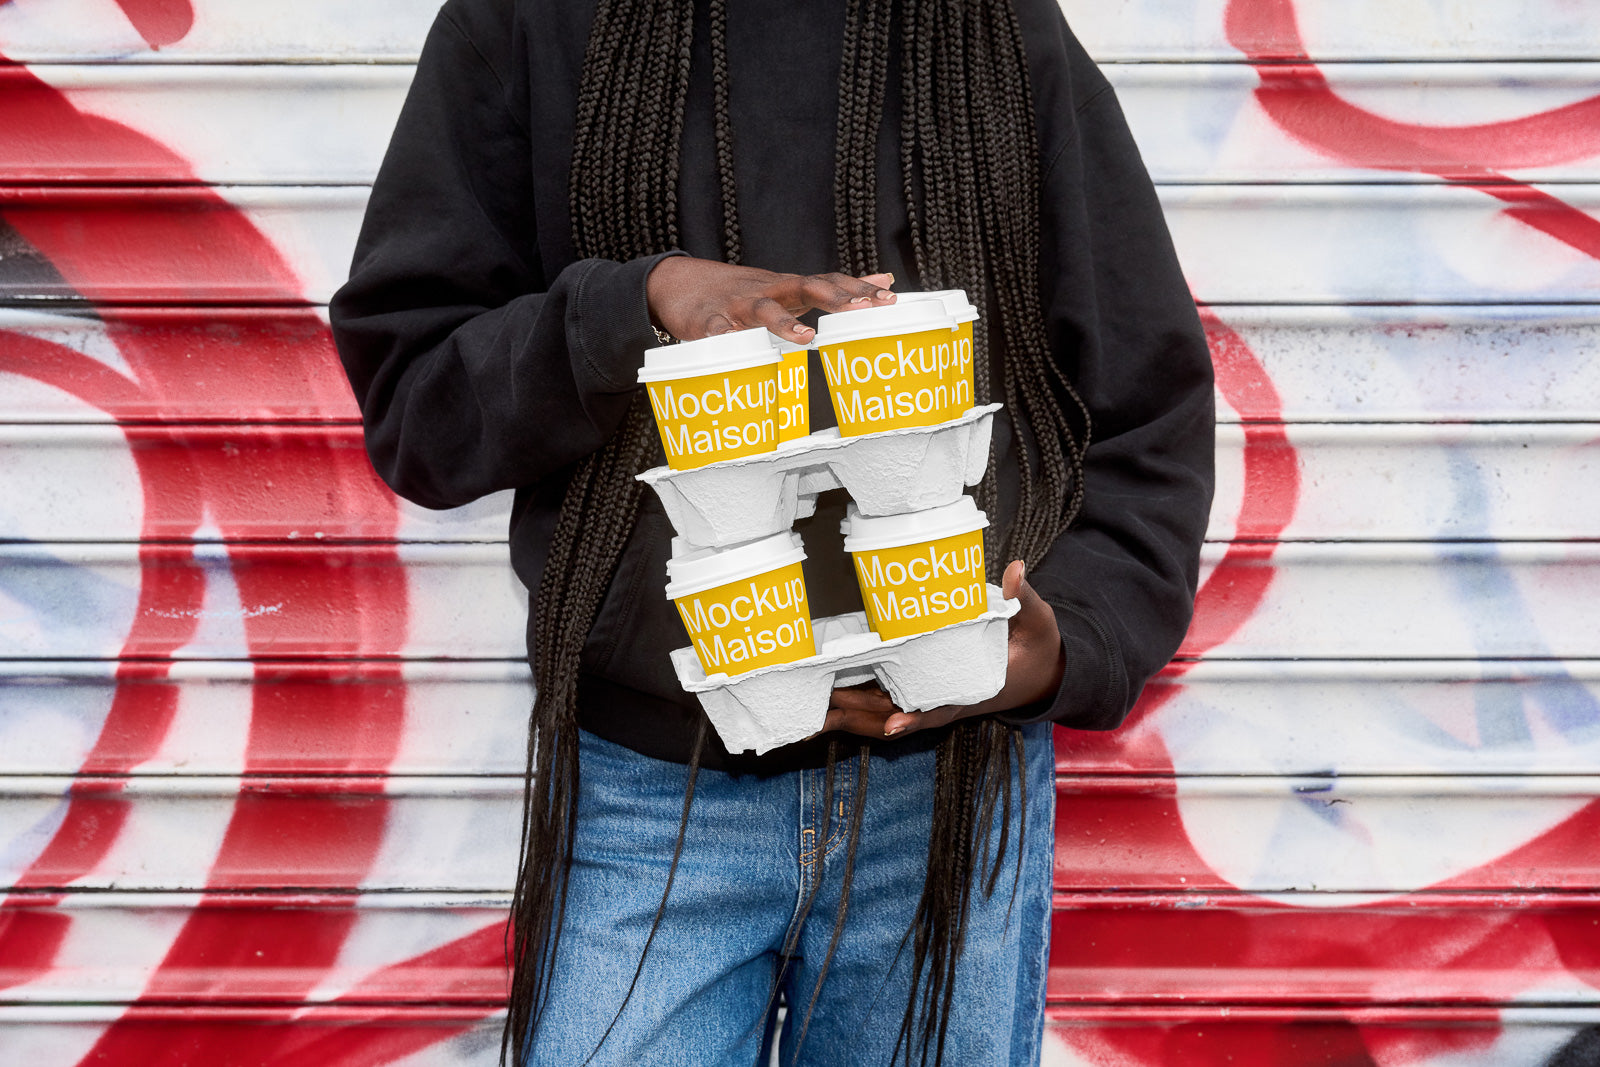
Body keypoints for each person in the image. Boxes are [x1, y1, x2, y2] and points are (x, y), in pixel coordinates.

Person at [330, 0, 1214, 1063]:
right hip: (650, 792)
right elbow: (419, 403)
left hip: (945, 800)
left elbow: (1142, 402)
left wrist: (1063, 642)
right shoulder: (530, 20)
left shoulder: (990, 27)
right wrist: (638, 306)